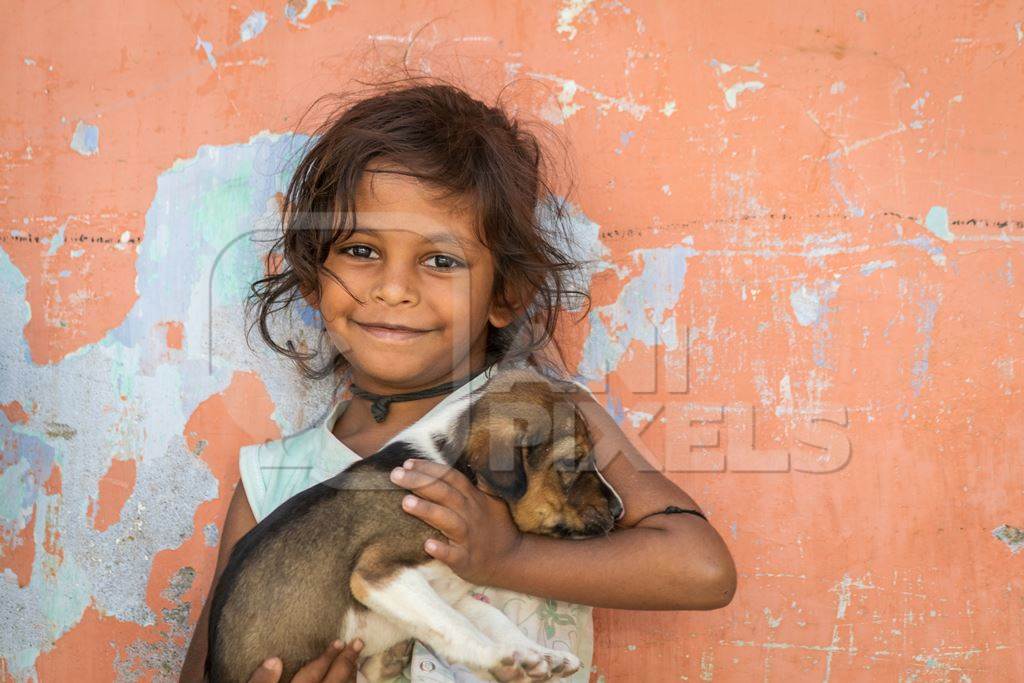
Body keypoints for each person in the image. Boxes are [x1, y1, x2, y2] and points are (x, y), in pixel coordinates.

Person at [179, 79, 736, 683]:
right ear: (314, 277)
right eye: (361, 251)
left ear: (506, 293)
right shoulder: (274, 481)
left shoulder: (538, 414)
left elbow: (702, 569)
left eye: (440, 261)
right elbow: (208, 669)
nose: (393, 288)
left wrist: (509, 557)